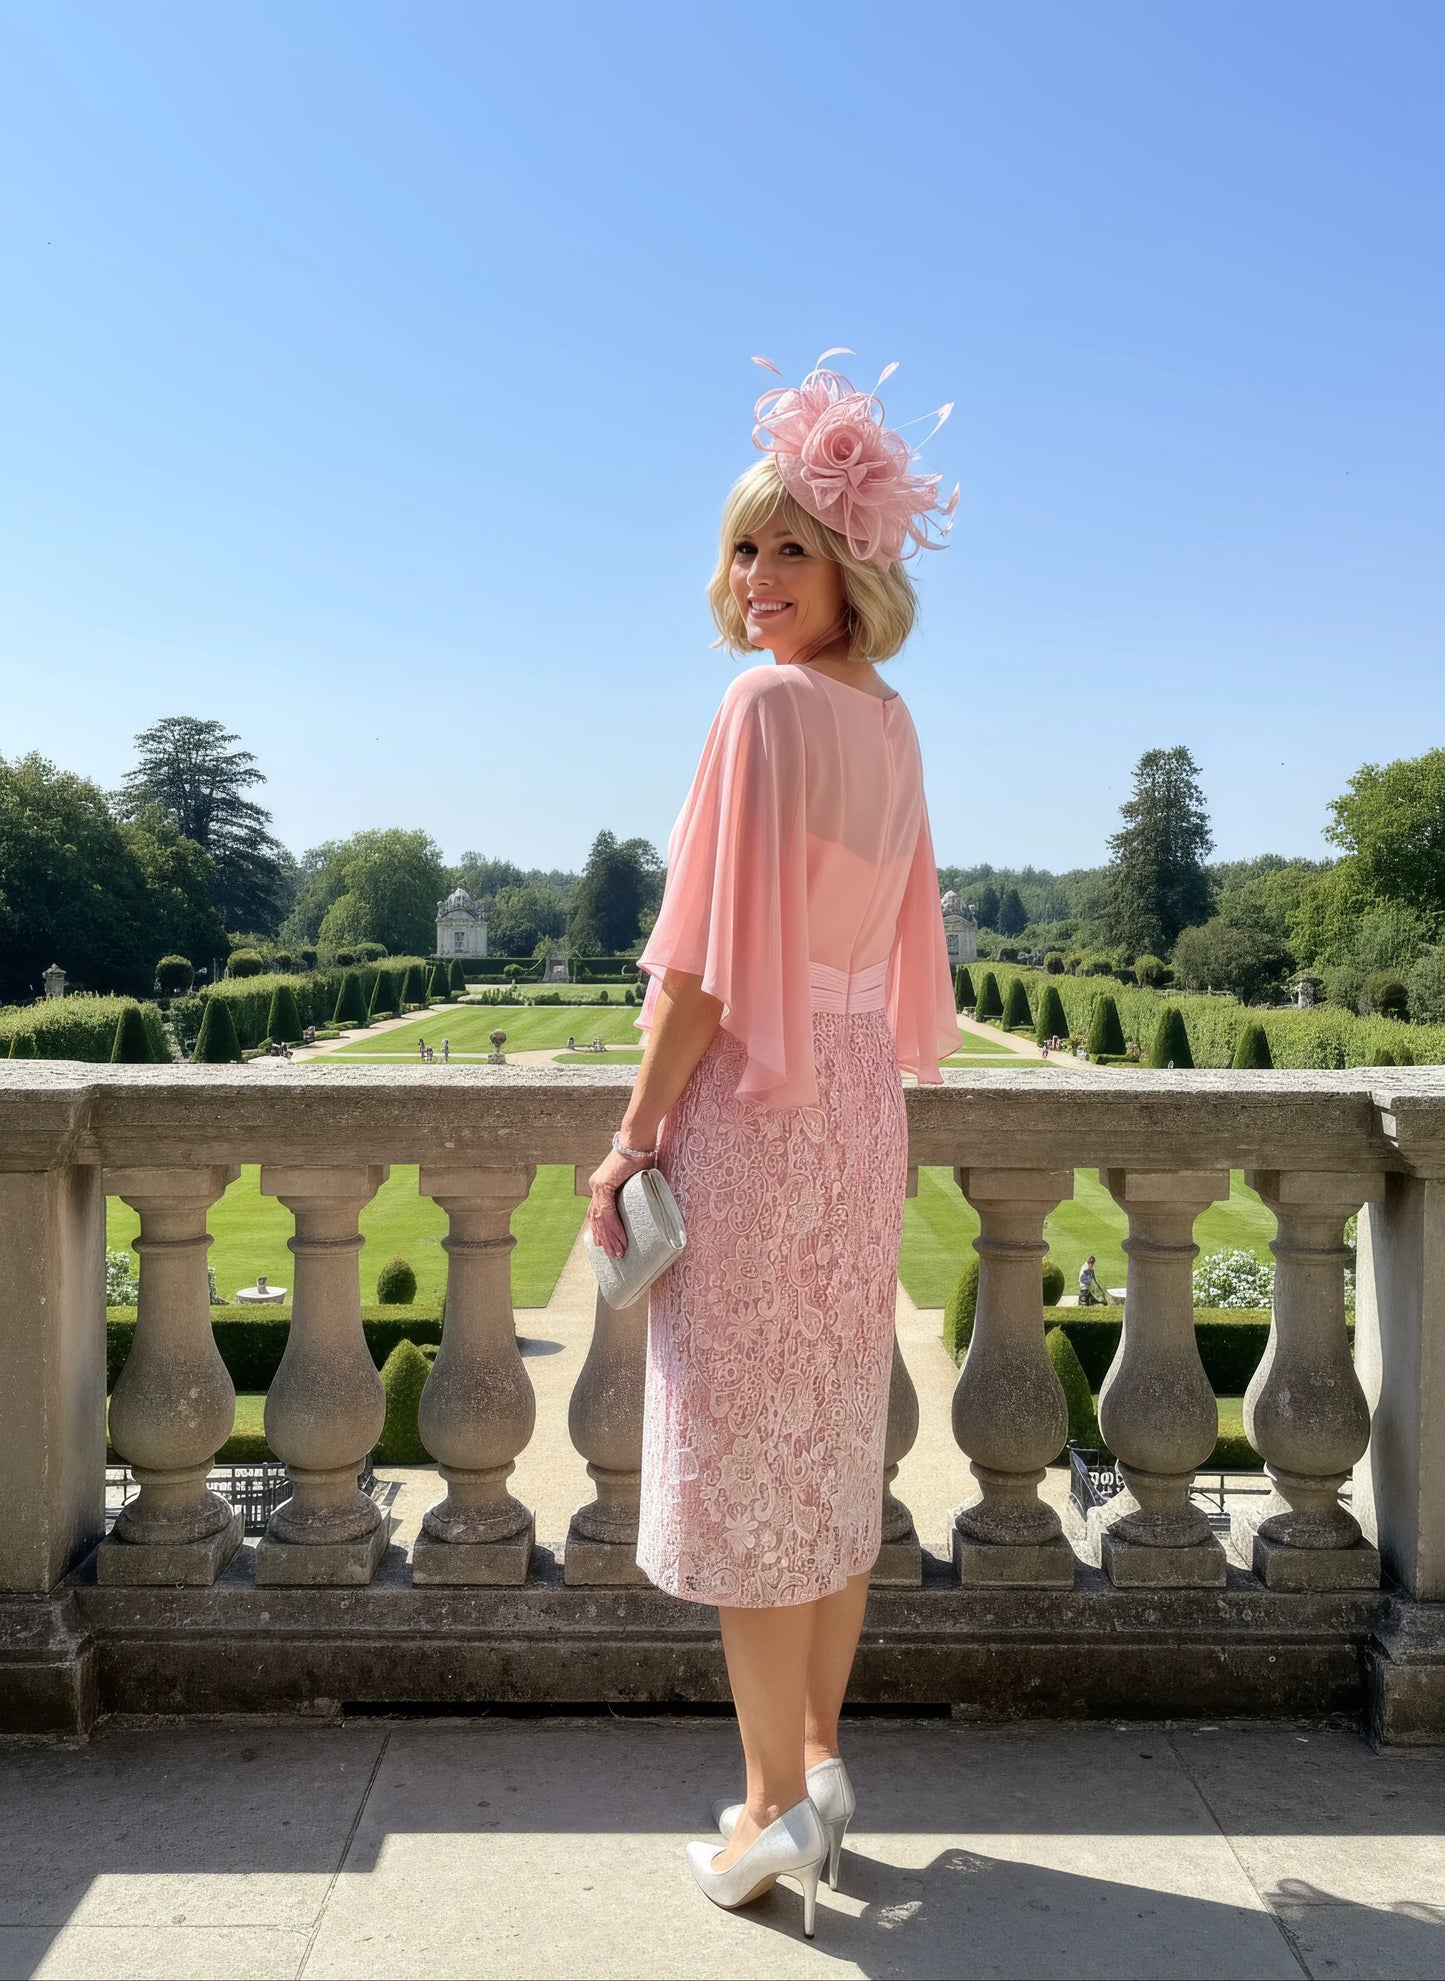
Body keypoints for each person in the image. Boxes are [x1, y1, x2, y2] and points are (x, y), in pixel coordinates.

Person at [585, 350, 958, 1941]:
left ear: (851, 559)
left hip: (757, 1110)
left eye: (787, 545)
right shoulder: (890, 719)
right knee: (823, 1446)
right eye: (742, 548)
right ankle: (817, 1759)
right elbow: (888, 946)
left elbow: (697, 973)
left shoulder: (761, 707)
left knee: (750, 1465)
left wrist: (629, 1135)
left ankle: (763, 1811)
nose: (754, 577)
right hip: (858, 1106)